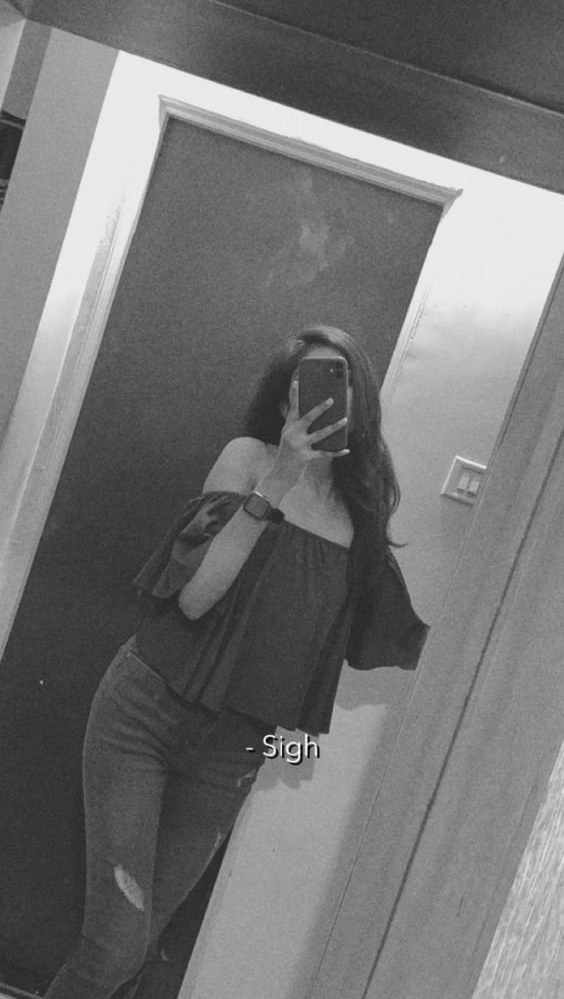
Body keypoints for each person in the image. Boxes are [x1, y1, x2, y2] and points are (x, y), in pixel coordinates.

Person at [45, 324, 427, 999]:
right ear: (283, 402)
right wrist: (277, 484)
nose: (321, 399)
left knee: (138, 948)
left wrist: (286, 751)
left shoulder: (361, 513)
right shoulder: (248, 460)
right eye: (304, 386)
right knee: (114, 947)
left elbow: (336, 649)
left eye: (338, 383)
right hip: (144, 715)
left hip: (234, 751)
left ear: (360, 401)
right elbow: (196, 599)